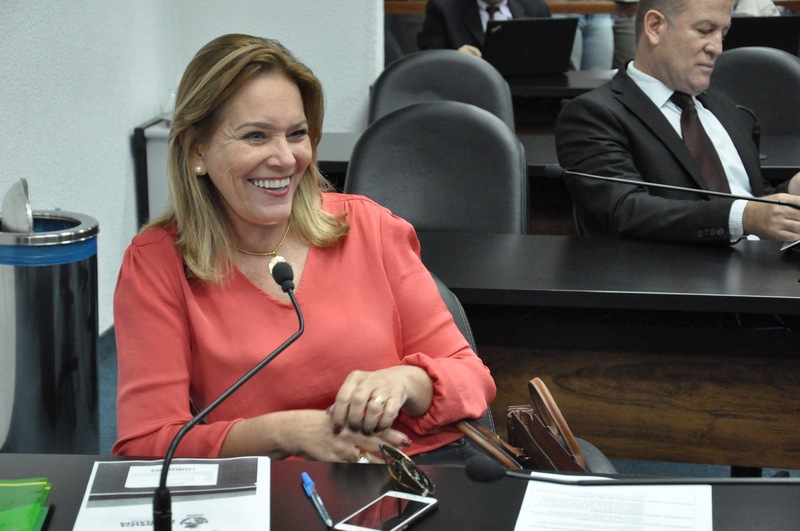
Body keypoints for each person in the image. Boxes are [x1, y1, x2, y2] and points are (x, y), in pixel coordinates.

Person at [112, 34, 496, 463]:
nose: (285, 158)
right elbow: (148, 442)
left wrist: (407, 381)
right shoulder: (156, 264)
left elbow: (472, 380)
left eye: (296, 134)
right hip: (267, 490)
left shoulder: (369, 228)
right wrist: (285, 432)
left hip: (407, 473)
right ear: (195, 149)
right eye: (255, 136)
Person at [555, 0, 800, 242]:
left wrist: (791, 190)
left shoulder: (721, 104)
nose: (717, 48)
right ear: (655, 26)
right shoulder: (593, 115)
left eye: (723, 34)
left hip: (766, 258)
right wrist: (744, 217)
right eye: (704, 30)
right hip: (675, 265)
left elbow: (753, 199)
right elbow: (624, 209)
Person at [417, 0, 552, 58]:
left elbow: (552, 59)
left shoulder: (536, 8)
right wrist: (455, 59)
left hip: (527, 96)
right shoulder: (443, 8)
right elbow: (429, 62)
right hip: (466, 95)